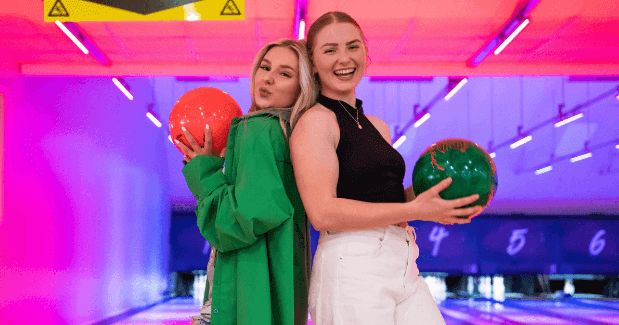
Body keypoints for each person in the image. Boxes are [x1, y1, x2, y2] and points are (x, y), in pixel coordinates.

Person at [289, 12, 483, 325]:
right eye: (330, 50)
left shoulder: (377, 126)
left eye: (353, 47)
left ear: (366, 53)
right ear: (312, 62)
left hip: (402, 260)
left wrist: (438, 194)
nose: (344, 58)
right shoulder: (316, 122)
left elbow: (384, 200)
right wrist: (418, 208)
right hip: (353, 267)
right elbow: (322, 213)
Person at [177, 38, 316, 325]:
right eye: (265, 67)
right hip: (282, 281)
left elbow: (238, 221)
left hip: (250, 284)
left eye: (285, 74)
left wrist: (203, 170)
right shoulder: (292, 135)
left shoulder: (258, 129)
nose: (268, 79)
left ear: (302, 86)